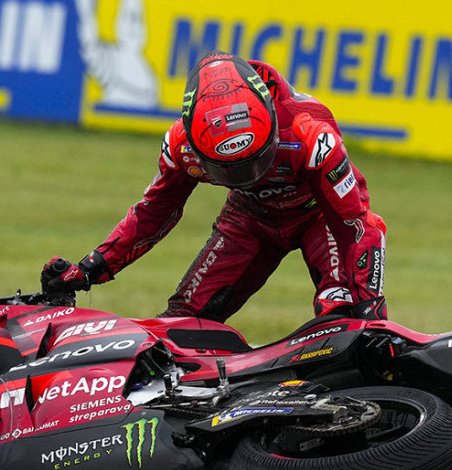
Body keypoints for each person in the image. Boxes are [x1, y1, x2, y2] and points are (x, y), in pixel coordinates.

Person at [42, 51, 387, 325]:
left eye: (255, 161)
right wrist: (92, 267)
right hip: (249, 217)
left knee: (340, 313)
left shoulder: (311, 133)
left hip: (320, 215)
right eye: (230, 169)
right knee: (181, 325)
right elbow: (154, 214)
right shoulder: (181, 146)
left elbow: (358, 226)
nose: (248, 176)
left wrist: (371, 311)